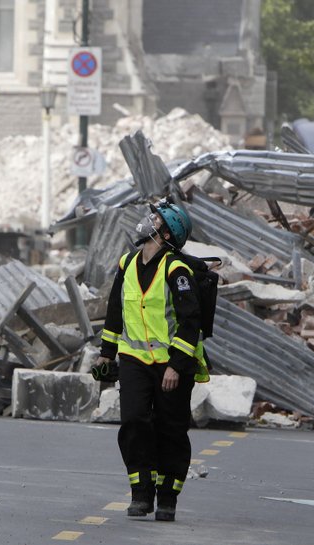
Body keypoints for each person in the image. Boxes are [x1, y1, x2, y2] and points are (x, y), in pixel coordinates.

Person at [95, 199, 209, 522]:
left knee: (170, 429)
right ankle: (141, 491)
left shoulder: (177, 270)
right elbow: (115, 313)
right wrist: (106, 354)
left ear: (165, 233)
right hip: (134, 360)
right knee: (133, 420)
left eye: (155, 219)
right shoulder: (126, 264)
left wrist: (175, 364)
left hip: (171, 364)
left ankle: (168, 497)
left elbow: (191, 321)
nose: (148, 222)